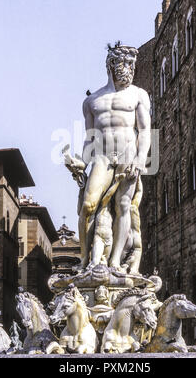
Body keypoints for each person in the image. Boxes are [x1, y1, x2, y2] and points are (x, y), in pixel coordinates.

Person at [77, 43, 151, 271]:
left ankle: (115, 261)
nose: (129, 69)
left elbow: (146, 130)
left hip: (127, 156)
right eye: (124, 63)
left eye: (132, 64)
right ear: (111, 65)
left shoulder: (138, 95)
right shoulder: (92, 101)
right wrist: (81, 163)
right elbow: (89, 138)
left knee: (123, 205)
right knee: (88, 206)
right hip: (102, 157)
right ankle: (84, 260)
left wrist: (140, 159)